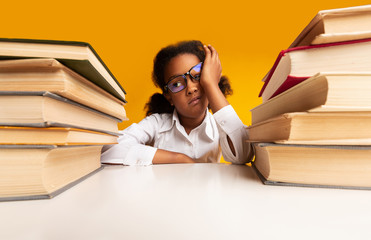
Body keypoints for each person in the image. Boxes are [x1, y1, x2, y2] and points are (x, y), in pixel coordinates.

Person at [101, 40, 253, 165]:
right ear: (168, 96)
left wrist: (211, 85)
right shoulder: (157, 124)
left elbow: (244, 154)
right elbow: (109, 149)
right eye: (177, 84)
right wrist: (179, 158)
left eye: (198, 76)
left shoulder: (219, 127)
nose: (191, 88)